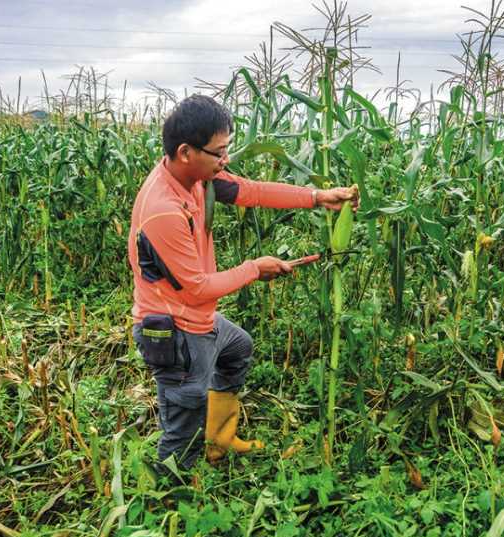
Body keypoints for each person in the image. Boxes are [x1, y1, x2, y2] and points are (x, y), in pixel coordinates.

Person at [127, 94, 357, 471]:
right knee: (184, 417)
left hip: (196, 316)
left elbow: (250, 190)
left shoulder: (199, 180)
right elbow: (198, 288)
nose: (226, 160)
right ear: (186, 151)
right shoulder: (163, 210)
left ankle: (220, 439)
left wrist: (317, 197)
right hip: (175, 330)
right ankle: (169, 495)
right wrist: (254, 268)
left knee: (237, 349)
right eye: (219, 153)